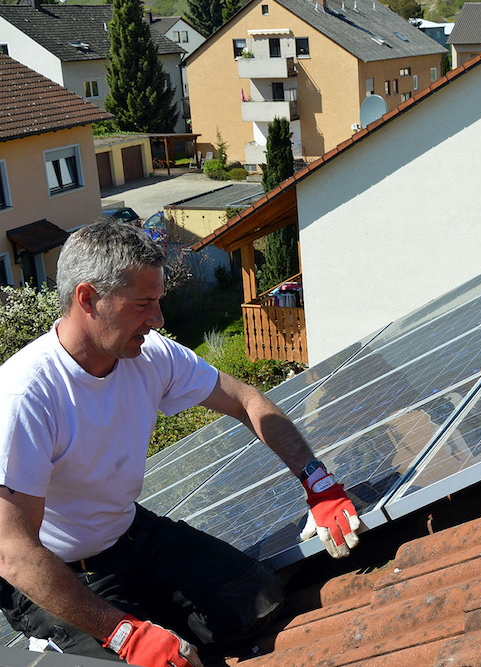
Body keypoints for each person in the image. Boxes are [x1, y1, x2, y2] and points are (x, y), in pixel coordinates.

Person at [0, 222, 360, 666]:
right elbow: (14, 552)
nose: (158, 319)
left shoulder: (150, 355)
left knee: (259, 602)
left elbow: (247, 401)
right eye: (142, 304)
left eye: (158, 302)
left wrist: (318, 483)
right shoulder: (27, 396)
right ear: (88, 299)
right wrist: (122, 635)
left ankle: (151, 622)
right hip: (61, 573)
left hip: (130, 535)